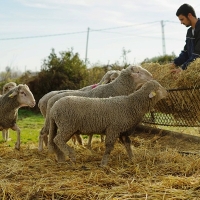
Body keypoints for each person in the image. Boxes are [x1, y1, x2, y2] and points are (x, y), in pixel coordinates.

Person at [171, 3, 200, 74]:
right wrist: (175, 63)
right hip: (194, 72)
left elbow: (197, 54)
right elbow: (186, 51)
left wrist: (182, 68)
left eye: (182, 19)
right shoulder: (189, 31)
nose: (181, 22)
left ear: (189, 15)